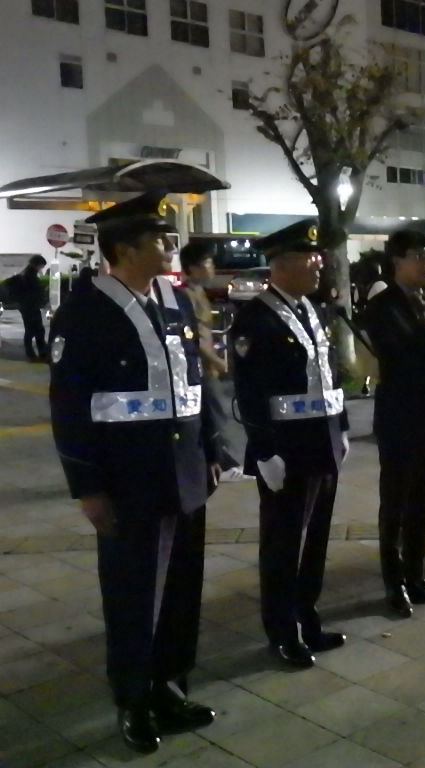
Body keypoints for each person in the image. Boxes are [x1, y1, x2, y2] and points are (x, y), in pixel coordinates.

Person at [48, 190, 220, 754]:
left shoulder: (169, 302)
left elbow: (195, 385)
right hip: (128, 480)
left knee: (180, 592)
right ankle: (132, 700)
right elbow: (69, 407)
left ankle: (170, 686)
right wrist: (88, 488)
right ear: (125, 249)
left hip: (184, 472)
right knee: (132, 595)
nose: (171, 247)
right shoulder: (86, 311)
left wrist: (212, 451)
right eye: (159, 241)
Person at [230, 218, 350, 670]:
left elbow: (329, 375)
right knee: (284, 544)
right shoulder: (255, 318)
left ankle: (307, 618)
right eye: (308, 258)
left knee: (314, 540)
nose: (318, 265)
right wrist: (264, 451)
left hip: (321, 442)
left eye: (316, 257)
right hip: (286, 448)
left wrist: (340, 424)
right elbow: (249, 392)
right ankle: (281, 630)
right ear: (281, 265)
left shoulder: (311, 310)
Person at [363, 229, 425, 617]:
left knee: (422, 501)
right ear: (397, 262)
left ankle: (417, 575)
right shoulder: (383, 305)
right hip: (399, 418)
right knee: (396, 503)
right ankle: (394, 584)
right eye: (420, 256)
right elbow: (404, 356)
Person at [179, 242, 250, 482]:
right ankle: (223, 462)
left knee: (213, 411)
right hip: (203, 365)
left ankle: (221, 460)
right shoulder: (188, 295)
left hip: (208, 365)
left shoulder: (198, 292)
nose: (212, 268)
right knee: (216, 412)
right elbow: (195, 336)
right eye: (208, 263)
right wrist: (216, 361)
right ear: (193, 267)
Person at [5, 254, 49, 361]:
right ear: (37, 264)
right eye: (41, 266)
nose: (41, 268)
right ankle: (36, 355)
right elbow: (34, 291)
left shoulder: (26, 273)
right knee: (35, 331)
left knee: (34, 330)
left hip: (26, 306)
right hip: (31, 306)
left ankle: (35, 354)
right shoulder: (30, 275)